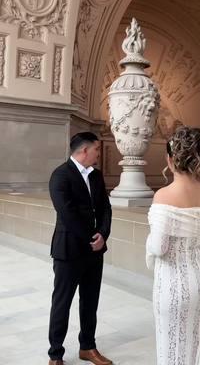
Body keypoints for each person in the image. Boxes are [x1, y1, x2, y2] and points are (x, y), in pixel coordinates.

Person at [146, 126, 200, 365]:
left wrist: (148, 241)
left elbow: (158, 248)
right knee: (196, 341)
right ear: (198, 159)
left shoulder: (164, 195)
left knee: (172, 349)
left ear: (170, 159)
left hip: (176, 282)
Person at [48, 132, 112, 365]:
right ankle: (55, 355)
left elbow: (105, 208)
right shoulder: (60, 176)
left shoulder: (96, 176)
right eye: (96, 148)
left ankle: (88, 347)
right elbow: (67, 214)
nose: (98, 152)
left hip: (95, 250)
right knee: (61, 303)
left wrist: (103, 235)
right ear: (85, 150)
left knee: (90, 301)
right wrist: (91, 237)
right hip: (68, 250)